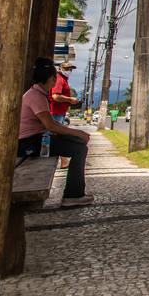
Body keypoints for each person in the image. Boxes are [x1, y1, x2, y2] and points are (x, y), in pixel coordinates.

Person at [19, 57, 93, 207]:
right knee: (79, 148)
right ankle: (73, 195)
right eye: (54, 78)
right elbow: (50, 125)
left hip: (36, 140)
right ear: (51, 78)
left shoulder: (37, 93)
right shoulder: (36, 96)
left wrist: (73, 134)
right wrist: (76, 133)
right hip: (30, 144)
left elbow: (50, 124)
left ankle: (74, 192)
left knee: (78, 144)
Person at [49, 60, 79, 169]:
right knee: (57, 136)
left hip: (59, 112)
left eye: (70, 69)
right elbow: (55, 96)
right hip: (55, 112)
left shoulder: (63, 79)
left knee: (58, 136)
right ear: (60, 69)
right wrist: (70, 99)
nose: (69, 71)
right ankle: (63, 159)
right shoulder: (59, 79)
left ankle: (63, 159)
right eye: (67, 69)